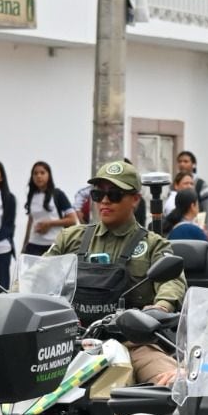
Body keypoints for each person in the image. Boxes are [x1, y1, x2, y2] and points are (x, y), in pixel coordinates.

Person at [47, 160, 187, 385]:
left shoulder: (154, 245)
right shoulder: (70, 238)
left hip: (133, 343)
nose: (104, 201)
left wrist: (160, 308)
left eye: (114, 194)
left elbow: (172, 282)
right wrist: (16, 300)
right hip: (70, 342)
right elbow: (37, 276)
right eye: (98, 194)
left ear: (135, 199)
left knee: (172, 381)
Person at [21, 160, 77, 257]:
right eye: (35, 173)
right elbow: (30, 221)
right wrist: (25, 245)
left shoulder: (58, 194)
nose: (39, 176)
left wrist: (49, 223)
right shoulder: (32, 195)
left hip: (54, 244)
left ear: (49, 175)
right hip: (34, 244)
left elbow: (72, 220)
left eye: (42, 173)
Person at [175, 150, 208, 215]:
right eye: (180, 161)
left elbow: (207, 211)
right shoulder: (174, 184)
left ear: (194, 165)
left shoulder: (201, 185)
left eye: (186, 161)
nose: (182, 164)